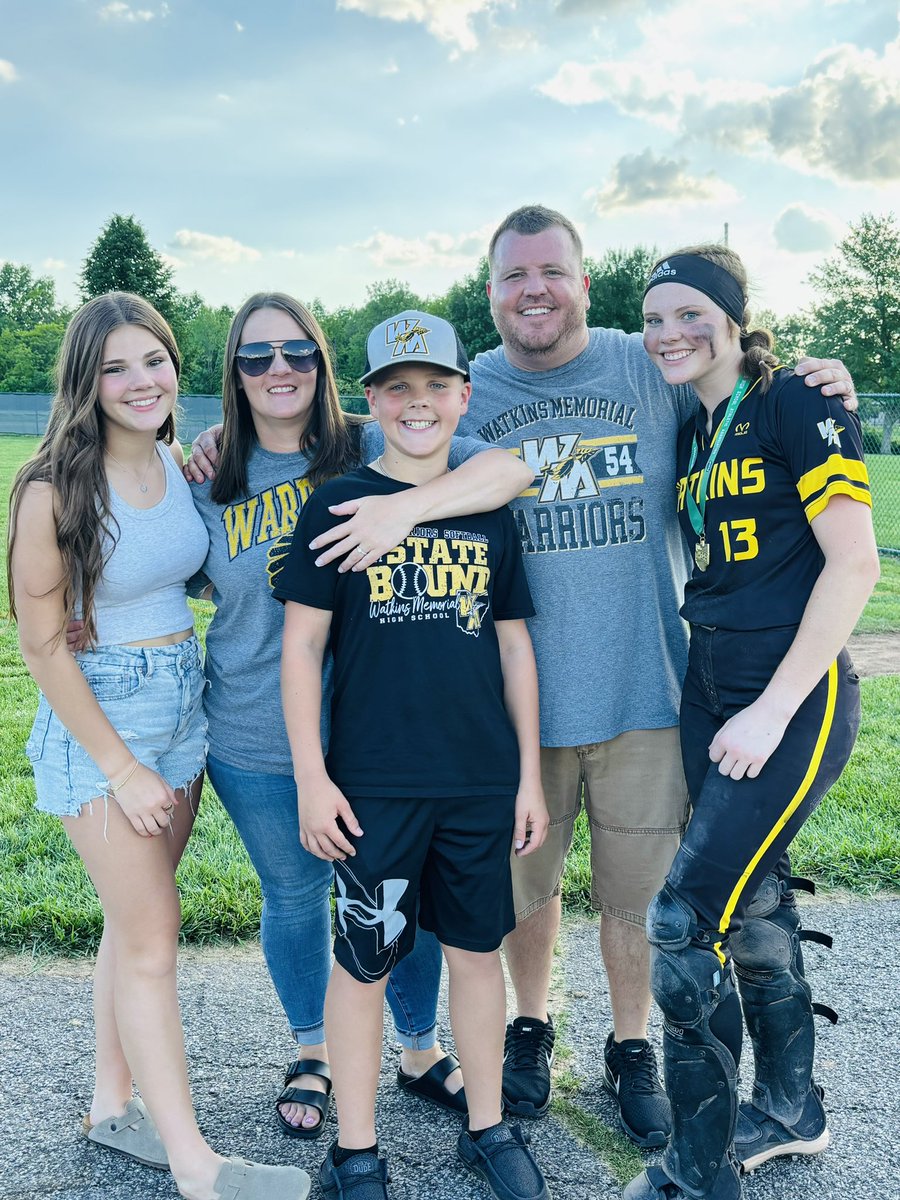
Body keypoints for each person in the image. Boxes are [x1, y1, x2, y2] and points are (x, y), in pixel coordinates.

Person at [188, 207, 858, 1148]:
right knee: (520, 897)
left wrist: (816, 376)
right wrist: (226, 438)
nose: (533, 290)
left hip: (645, 689)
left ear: (586, 283)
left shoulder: (641, 362)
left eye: (552, 271)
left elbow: (725, 378)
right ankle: (530, 1027)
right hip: (514, 711)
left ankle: (631, 1048)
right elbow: (399, 431)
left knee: (634, 896)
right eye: (512, 276)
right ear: (491, 289)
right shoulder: (478, 382)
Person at [186, 293, 534, 1136]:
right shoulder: (204, 474)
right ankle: (316, 1055)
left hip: (378, 734)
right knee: (300, 901)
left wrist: (404, 507)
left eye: (298, 353)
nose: (279, 371)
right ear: (233, 371)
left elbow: (510, 468)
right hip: (258, 728)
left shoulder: (369, 443)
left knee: (396, 913)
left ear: (327, 368)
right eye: (257, 356)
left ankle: (417, 1048)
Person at [9, 293, 309, 1200]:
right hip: (106, 728)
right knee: (153, 940)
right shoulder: (52, 486)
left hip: (185, 707)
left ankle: (112, 1104)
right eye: (115, 368)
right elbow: (40, 640)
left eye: (154, 361)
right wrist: (121, 767)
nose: (140, 382)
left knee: (133, 924)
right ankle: (195, 1165)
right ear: (84, 381)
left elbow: (190, 574)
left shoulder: (183, 466)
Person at [276, 310, 551, 1200]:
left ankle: (486, 1127)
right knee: (364, 963)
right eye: (399, 388)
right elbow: (300, 650)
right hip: (374, 787)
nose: (419, 403)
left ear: (464, 396)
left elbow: (514, 647)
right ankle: (355, 1151)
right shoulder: (338, 502)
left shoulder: (486, 505)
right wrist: (314, 780)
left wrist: (528, 776)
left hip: (476, 782)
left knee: (476, 956)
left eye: (437, 386)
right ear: (373, 402)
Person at [622, 245, 878, 1200]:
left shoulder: (795, 401)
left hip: (791, 697)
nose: (670, 334)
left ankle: (696, 1170)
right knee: (755, 893)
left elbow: (855, 567)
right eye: (654, 319)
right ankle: (790, 1108)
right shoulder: (696, 426)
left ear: (734, 318)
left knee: (684, 920)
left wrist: (774, 710)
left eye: (691, 314)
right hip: (711, 682)